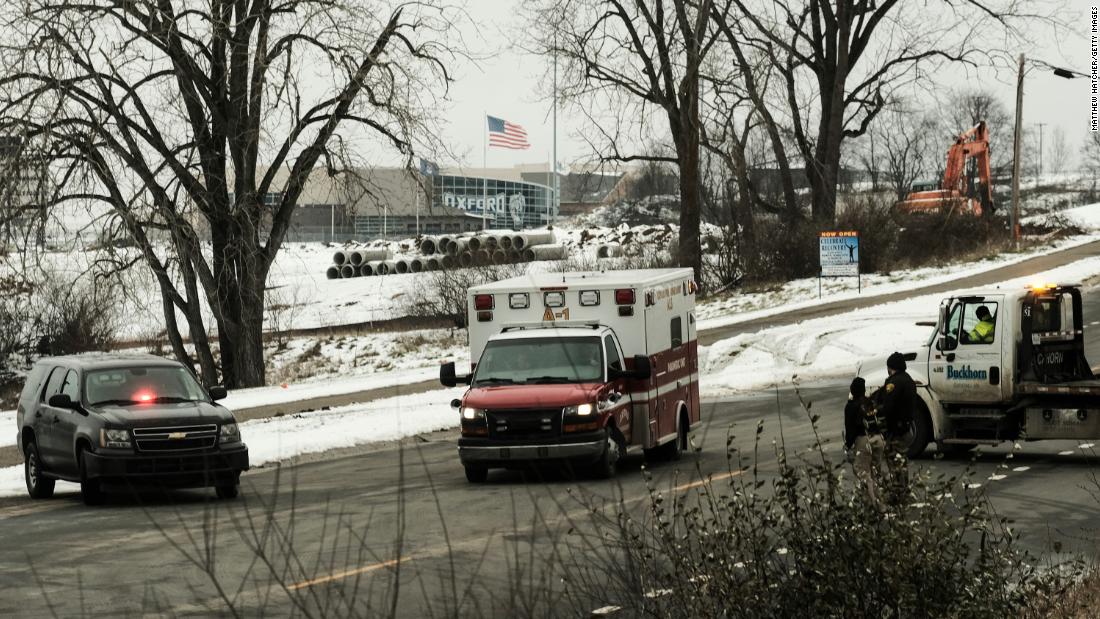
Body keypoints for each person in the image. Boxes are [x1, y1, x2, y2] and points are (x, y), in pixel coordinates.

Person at [877, 352, 918, 503]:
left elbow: (888, 406)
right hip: (906, 428)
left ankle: (898, 494)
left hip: (896, 430)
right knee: (901, 460)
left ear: (891, 367)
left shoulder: (894, 383)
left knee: (895, 462)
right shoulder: (909, 380)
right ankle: (903, 490)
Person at [844, 377, 886, 506]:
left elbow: (850, 428)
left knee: (863, 473)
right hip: (878, 439)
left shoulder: (851, 406)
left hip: (863, 439)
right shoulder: (869, 402)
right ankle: (881, 501)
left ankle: (872, 504)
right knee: (875, 472)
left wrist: (848, 445)